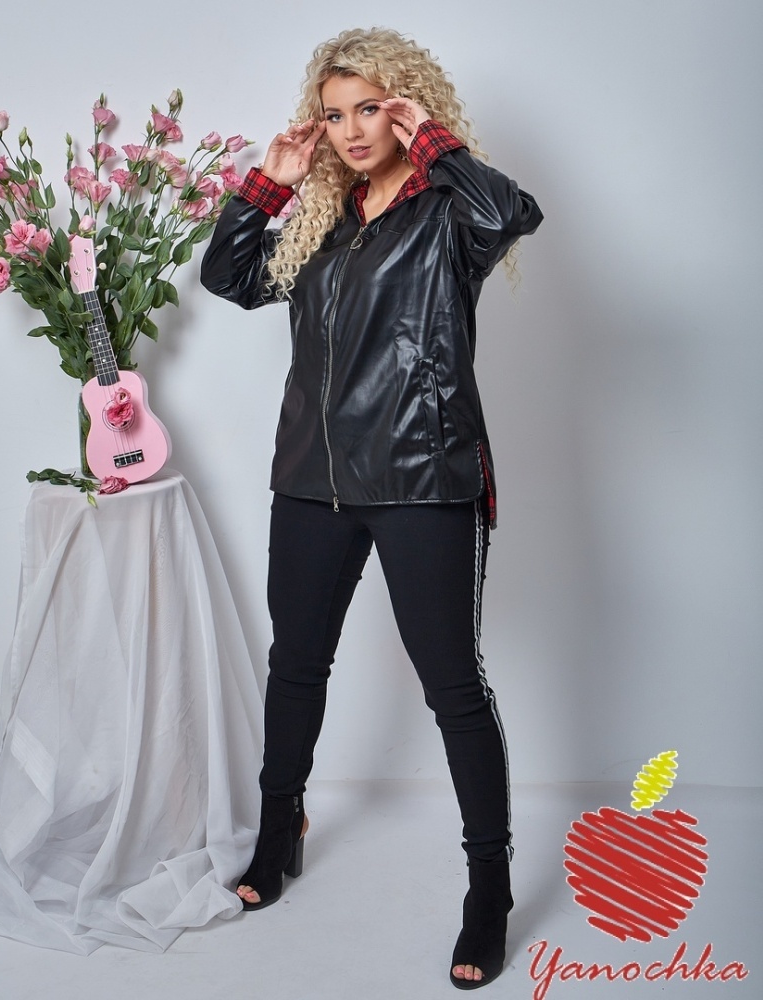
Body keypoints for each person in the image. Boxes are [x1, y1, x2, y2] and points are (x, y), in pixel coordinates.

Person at [200, 26, 542, 990]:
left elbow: (514, 211)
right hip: (313, 479)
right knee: (296, 665)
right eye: (336, 114)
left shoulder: (449, 214)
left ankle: (488, 891)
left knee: (454, 689)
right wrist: (267, 186)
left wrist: (432, 139)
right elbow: (229, 279)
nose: (353, 130)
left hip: (424, 478)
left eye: (372, 109)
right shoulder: (324, 220)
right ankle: (279, 833)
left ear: (405, 110)